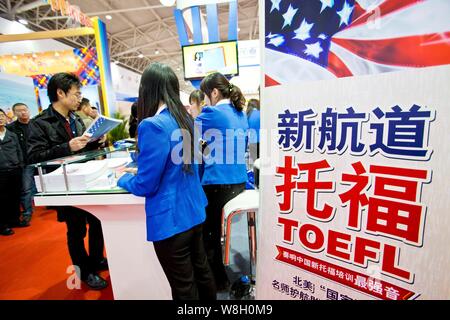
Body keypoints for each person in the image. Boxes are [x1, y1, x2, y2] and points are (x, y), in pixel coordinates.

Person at [118, 62, 216, 300]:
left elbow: (145, 184)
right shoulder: (186, 119)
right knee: (201, 271)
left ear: (147, 89)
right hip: (194, 210)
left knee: (183, 286)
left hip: (171, 221)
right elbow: (199, 162)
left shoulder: (152, 125)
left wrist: (122, 179)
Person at [27, 73, 108, 290]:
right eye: (76, 94)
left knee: (98, 222)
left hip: (85, 178)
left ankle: (97, 258)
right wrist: (67, 147)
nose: (79, 98)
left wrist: (95, 142)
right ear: (60, 94)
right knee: (76, 229)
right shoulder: (40, 123)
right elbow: (34, 157)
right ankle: (84, 271)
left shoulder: (75, 119)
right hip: (63, 185)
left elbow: (82, 148)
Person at [196, 72, 249, 291]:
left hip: (217, 184)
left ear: (214, 93)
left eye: (205, 97)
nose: (205, 102)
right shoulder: (240, 114)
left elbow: (184, 132)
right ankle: (232, 276)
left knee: (210, 236)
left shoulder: (212, 113)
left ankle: (218, 281)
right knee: (228, 234)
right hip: (239, 182)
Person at [7, 103, 36, 225]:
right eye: (19, 111)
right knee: (26, 188)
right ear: (14, 113)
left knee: (46, 183)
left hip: (41, 158)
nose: (23, 112)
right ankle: (27, 213)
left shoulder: (36, 124)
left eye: (24, 110)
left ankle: (53, 205)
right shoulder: (11, 128)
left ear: (28, 110)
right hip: (25, 161)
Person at [0, 108, 25, 236]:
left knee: (15, 196)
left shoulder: (11, 135)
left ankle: (15, 220)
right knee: (2, 199)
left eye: (2, 115)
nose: (0, 118)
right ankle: (3, 225)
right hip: (1, 172)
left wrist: (20, 164)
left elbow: (19, 151)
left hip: (15, 169)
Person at [246, 98, 260, 163]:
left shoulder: (247, 116)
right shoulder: (262, 113)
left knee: (254, 164)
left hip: (252, 143)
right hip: (263, 142)